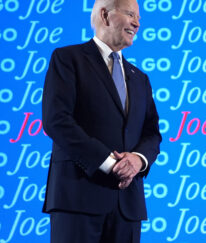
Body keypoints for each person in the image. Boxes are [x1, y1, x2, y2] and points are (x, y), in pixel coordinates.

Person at [41, 0, 162, 242]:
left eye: (138, 17)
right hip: (77, 198)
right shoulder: (68, 59)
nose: (137, 23)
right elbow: (57, 120)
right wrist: (109, 163)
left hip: (127, 205)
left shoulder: (140, 78)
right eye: (130, 14)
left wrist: (137, 161)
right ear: (105, 15)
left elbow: (152, 134)